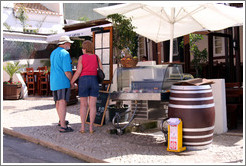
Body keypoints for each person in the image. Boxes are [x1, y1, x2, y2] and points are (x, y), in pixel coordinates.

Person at [70, 40, 103, 134]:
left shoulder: (81, 57)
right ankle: (91, 127)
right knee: (92, 105)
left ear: (85, 49)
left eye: (82, 48)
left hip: (84, 81)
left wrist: (72, 81)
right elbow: (101, 70)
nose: (82, 50)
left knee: (83, 105)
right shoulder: (96, 57)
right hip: (94, 81)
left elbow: (78, 71)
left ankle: (83, 127)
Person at [50, 36, 74, 133]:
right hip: (62, 81)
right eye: (69, 43)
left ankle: (61, 120)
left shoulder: (53, 52)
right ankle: (64, 126)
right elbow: (67, 71)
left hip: (54, 81)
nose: (70, 45)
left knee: (58, 102)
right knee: (63, 102)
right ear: (65, 43)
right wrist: (72, 81)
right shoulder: (65, 53)